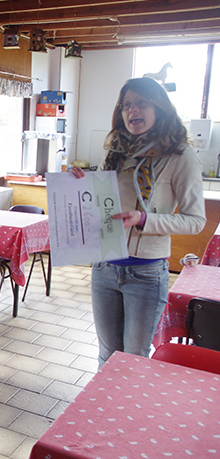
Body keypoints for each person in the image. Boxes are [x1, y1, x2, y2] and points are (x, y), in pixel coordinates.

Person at [70, 77, 206, 368]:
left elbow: (195, 221)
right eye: (126, 104)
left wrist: (144, 219)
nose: (133, 110)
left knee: (133, 358)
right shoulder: (118, 152)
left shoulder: (181, 156)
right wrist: (80, 187)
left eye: (141, 103)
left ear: (160, 108)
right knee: (107, 353)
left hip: (146, 273)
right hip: (105, 266)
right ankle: (102, 413)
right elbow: (104, 205)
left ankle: (127, 413)